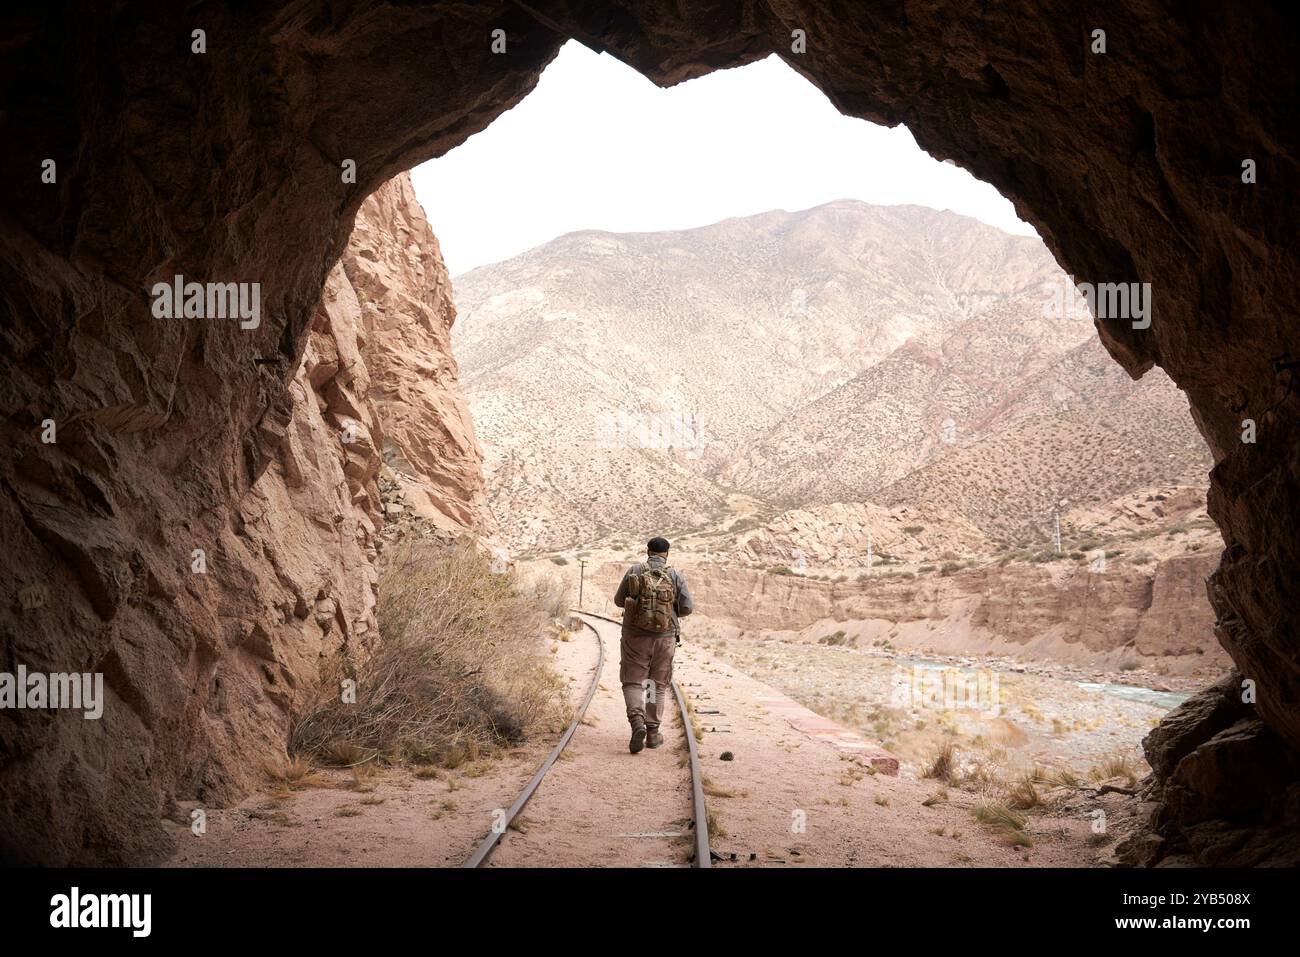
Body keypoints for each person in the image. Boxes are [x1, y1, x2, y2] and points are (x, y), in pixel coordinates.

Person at [613, 536, 694, 753]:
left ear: (648, 551)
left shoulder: (635, 570)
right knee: (654, 684)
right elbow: (687, 608)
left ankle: (636, 721)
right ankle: (652, 733)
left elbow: (619, 601)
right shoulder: (674, 574)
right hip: (665, 639)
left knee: (632, 682)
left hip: (635, 638)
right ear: (666, 554)